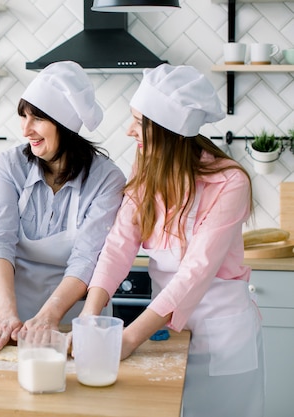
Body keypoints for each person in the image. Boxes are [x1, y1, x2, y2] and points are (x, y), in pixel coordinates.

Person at [79, 64, 264, 417]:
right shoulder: (146, 171)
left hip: (221, 338)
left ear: (167, 130)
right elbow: (119, 244)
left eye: (139, 122)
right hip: (167, 333)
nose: (129, 129)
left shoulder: (229, 182)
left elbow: (196, 271)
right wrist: (91, 318)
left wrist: (131, 337)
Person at [0, 61, 126, 352]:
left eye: (38, 119)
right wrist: (6, 314)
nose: (26, 129)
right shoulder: (9, 165)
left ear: (65, 125)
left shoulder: (107, 179)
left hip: (72, 322)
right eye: (23, 117)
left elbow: (87, 258)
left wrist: (49, 316)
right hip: (9, 320)